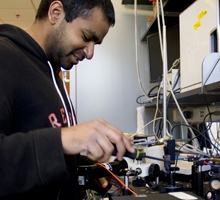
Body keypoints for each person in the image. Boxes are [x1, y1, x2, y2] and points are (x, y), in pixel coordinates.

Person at [0, 0, 135, 199]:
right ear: (55, 13)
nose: (90, 53)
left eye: (95, 44)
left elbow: (40, 156)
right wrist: (66, 138)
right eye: (86, 37)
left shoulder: (52, 72)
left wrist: (86, 168)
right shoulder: (5, 57)